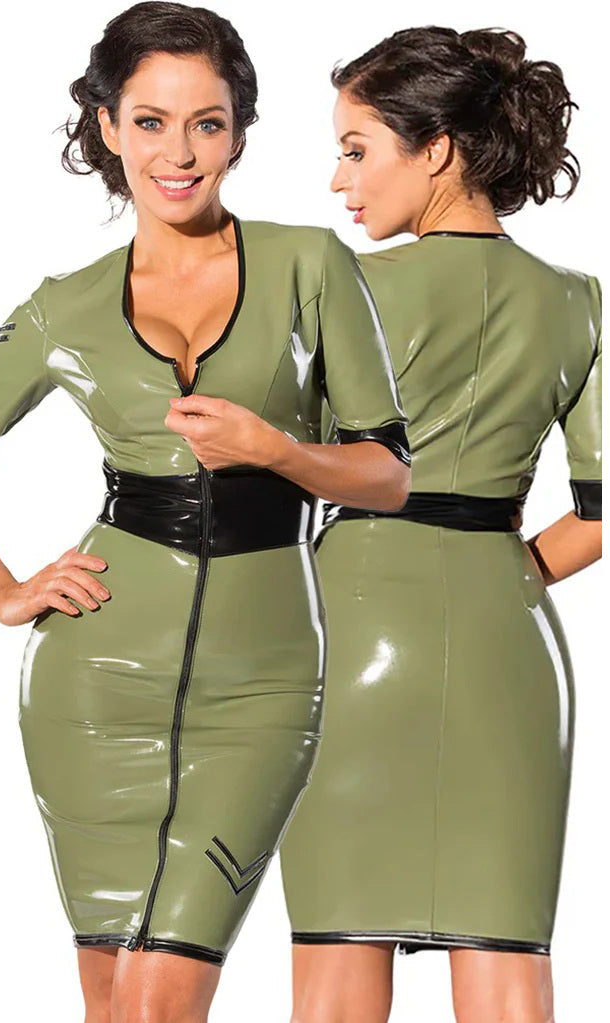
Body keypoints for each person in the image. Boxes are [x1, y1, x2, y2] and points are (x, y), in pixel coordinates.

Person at [0, 4, 410, 1022]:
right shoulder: (65, 303)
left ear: (239, 131)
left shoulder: (309, 263)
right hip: (93, 686)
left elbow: (387, 473)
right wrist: (5, 592)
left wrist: (278, 451)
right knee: (115, 1008)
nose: (179, 153)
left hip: (262, 688)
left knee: (161, 1003)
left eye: (207, 122)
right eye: (150, 121)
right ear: (108, 126)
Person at [279, 25, 602, 1023]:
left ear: (438, 149)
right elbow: (599, 518)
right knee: (507, 953)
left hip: (347, 630)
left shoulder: (339, 291)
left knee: (337, 950)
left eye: (355, 149)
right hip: (511, 647)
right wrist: (504, 571)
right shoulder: (577, 304)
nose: (339, 180)